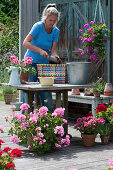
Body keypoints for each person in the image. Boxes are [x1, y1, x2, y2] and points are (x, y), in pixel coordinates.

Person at [22, 3, 61, 111]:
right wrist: (40, 50)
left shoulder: (56, 31)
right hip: (31, 63)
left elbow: (53, 50)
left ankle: (48, 120)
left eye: (54, 21)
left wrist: (56, 56)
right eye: (50, 20)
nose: (52, 23)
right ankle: (25, 120)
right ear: (45, 17)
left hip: (44, 65)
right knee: (29, 94)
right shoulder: (38, 26)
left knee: (46, 93)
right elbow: (25, 43)